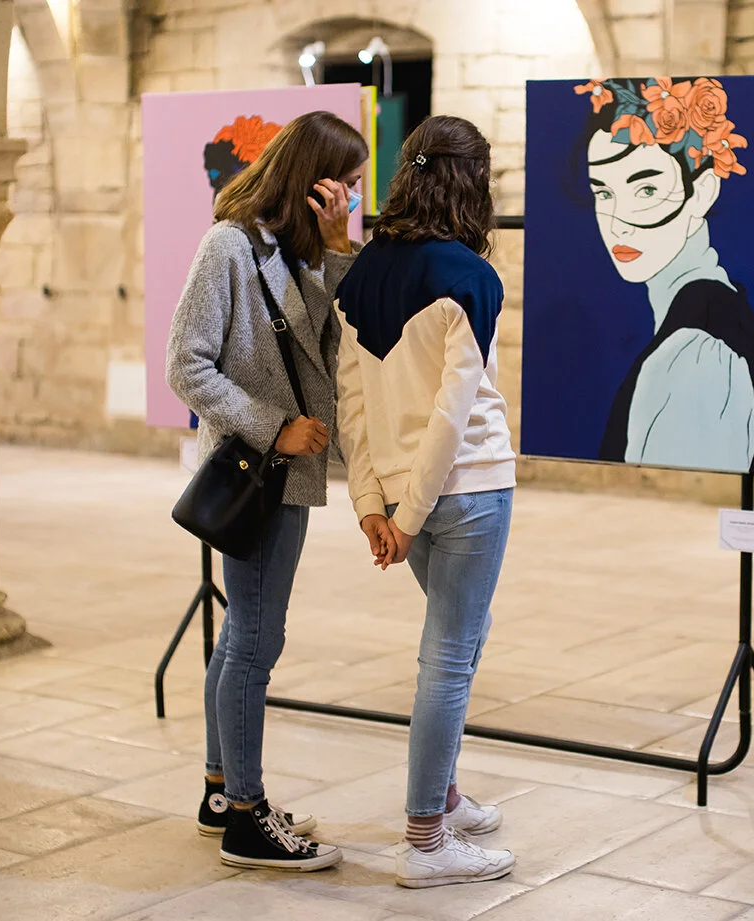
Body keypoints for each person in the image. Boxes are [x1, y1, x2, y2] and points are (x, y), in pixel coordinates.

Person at [166, 110, 366, 871]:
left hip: (290, 474)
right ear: (312, 179)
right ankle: (247, 819)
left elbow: (339, 339)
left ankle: (222, 792)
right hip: (257, 471)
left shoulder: (299, 252)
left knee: (244, 635)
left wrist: (340, 248)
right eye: (346, 183)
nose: (353, 196)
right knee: (255, 640)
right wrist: (272, 427)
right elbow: (186, 364)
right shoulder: (229, 245)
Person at [334, 115, 518, 889]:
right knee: (448, 657)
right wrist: (405, 515)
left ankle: (441, 794)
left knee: (459, 640)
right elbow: (452, 410)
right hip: (468, 487)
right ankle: (426, 841)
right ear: (471, 183)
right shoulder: (470, 276)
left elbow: (351, 402)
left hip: (401, 494)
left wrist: (373, 505)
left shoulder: (361, 273)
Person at [578, 76, 754, 474]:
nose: (618, 223)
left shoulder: (698, 352)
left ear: (702, 192)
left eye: (646, 190)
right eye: (603, 193)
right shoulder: (712, 318)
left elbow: (688, 495)